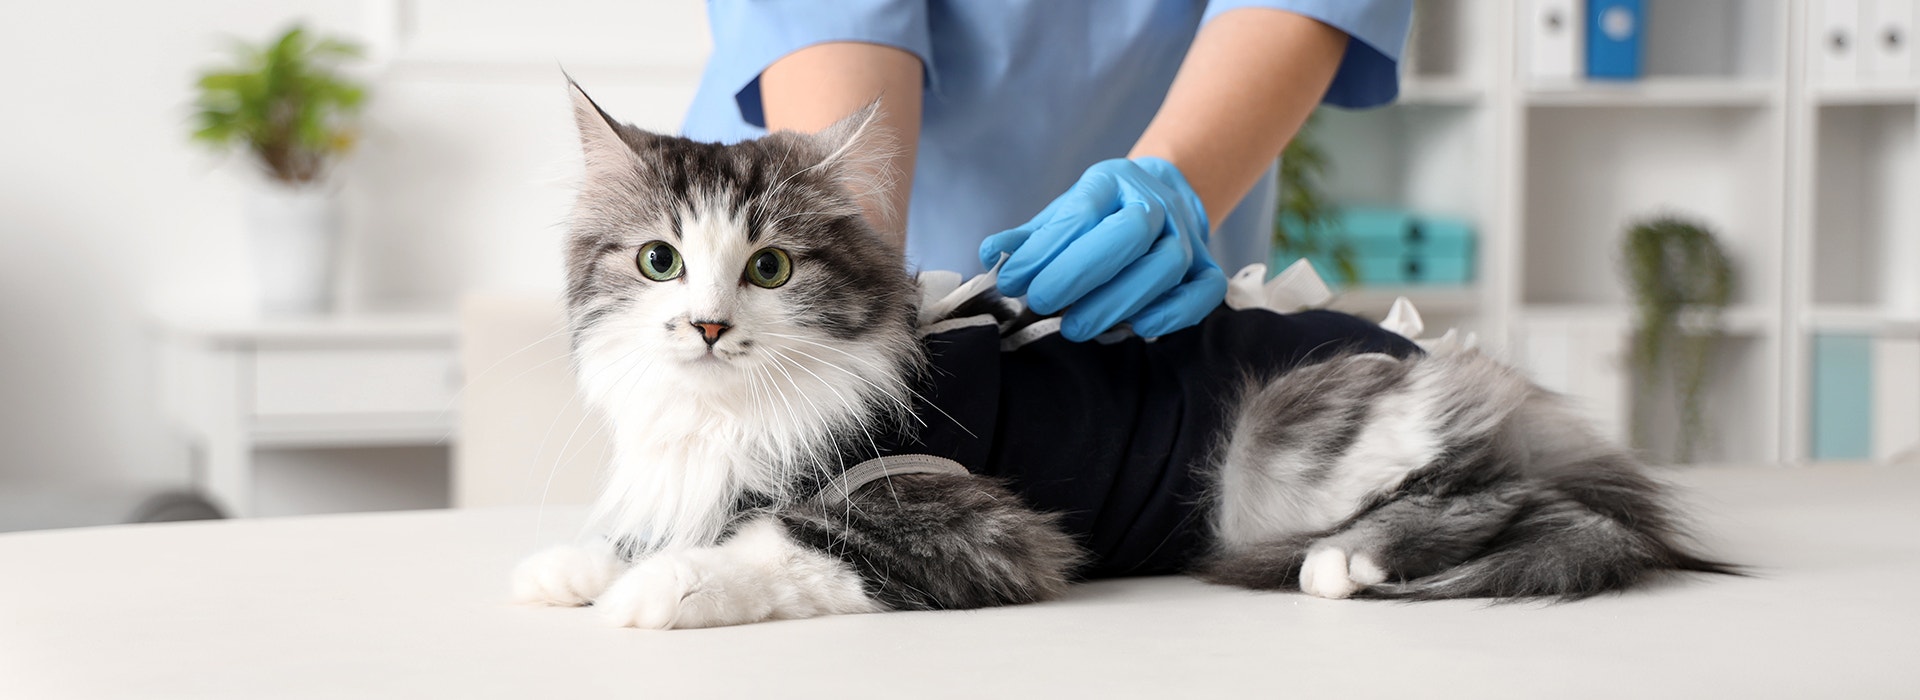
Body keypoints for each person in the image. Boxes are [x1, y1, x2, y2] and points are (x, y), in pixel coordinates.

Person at [683, 1, 1412, 341]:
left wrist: (1177, 180)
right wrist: (846, 290)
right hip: (799, 244)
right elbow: (834, 25)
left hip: (1163, 231)